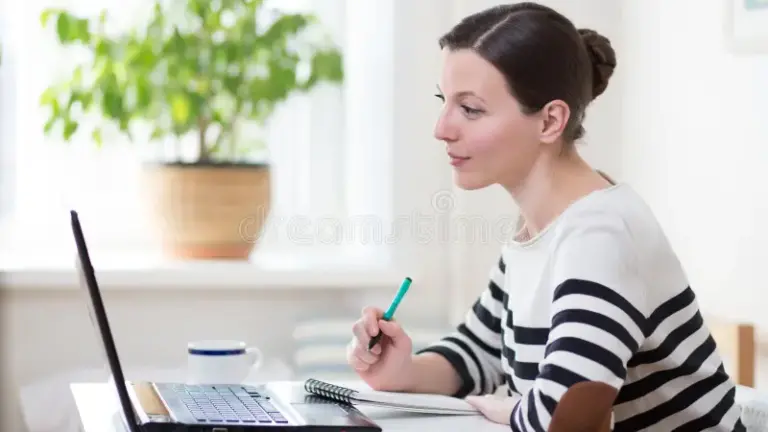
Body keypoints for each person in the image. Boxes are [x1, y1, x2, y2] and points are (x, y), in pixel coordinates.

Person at [346, 2, 746, 431]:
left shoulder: (601, 236)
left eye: (471, 109)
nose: (441, 128)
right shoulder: (542, 231)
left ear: (550, 121)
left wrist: (506, 407)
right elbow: (478, 352)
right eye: (445, 101)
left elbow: (562, 417)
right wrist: (402, 372)